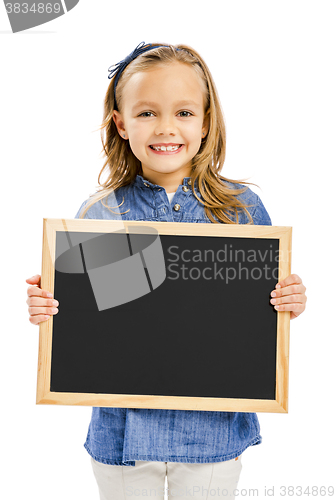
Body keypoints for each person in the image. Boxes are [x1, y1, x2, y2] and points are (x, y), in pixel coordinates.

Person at [26, 42, 307, 499]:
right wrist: (51, 307)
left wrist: (290, 302)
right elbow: (83, 319)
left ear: (206, 120)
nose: (166, 128)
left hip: (212, 434)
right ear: (120, 123)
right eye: (146, 113)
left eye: (183, 112)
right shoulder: (98, 215)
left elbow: (259, 315)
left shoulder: (241, 211)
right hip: (120, 436)